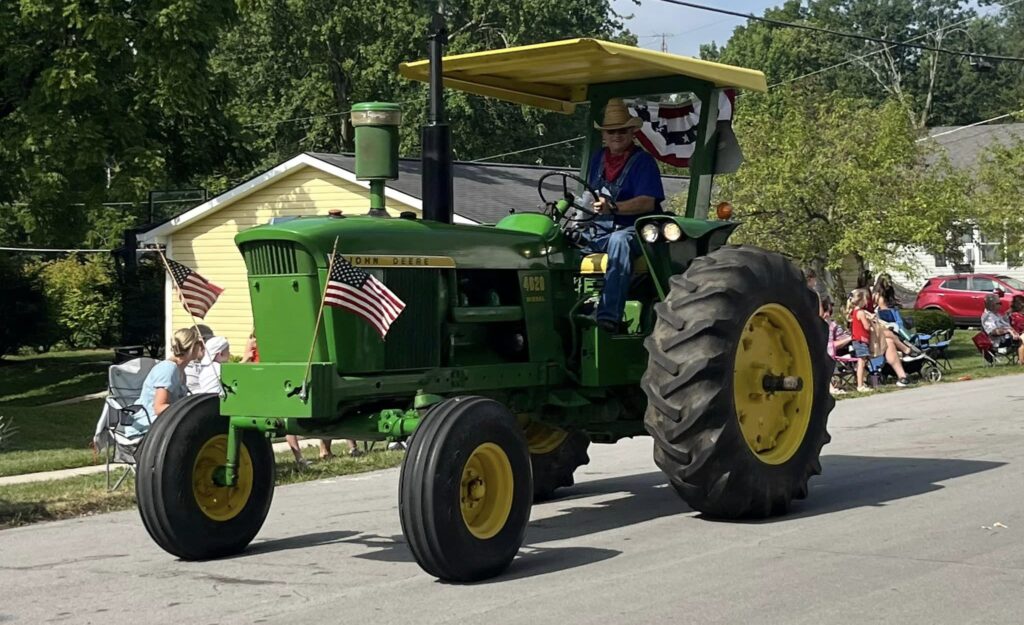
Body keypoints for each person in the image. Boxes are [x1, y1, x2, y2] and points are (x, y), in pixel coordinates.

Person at [584, 98, 665, 333]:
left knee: (620, 242)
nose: (616, 135)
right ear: (604, 136)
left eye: (621, 131)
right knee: (561, 242)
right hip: (601, 229)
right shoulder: (598, 159)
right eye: (611, 131)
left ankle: (608, 317)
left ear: (632, 132)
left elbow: (647, 202)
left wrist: (614, 208)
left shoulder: (643, 162)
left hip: (637, 231)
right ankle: (573, 309)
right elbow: (590, 194)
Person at [242, 329, 361, 465]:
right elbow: (247, 363)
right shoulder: (253, 342)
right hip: (268, 383)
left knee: (322, 411)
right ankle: (299, 457)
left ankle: (327, 450)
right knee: (286, 419)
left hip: (285, 378)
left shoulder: (280, 341)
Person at [126, 327, 204, 437]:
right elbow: (159, 408)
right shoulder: (168, 369)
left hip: (165, 423)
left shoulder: (180, 371)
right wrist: (189, 411)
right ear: (192, 347)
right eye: (199, 343)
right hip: (148, 427)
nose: (202, 346)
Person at [849, 288, 911, 392]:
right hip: (862, 340)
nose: (867, 302)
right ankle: (860, 385)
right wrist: (870, 321)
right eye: (866, 300)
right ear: (862, 300)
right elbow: (867, 327)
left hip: (860, 340)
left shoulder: (854, 312)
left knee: (889, 340)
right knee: (862, 362)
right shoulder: (861, 313)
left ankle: (902, 374)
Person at [981, 293, 1024, 364]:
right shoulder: (988, 317)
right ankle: (1021, 361)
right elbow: (993, 331)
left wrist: (1011, 311)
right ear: (992, 304)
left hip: (1010, 337)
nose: (1001, 305)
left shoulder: (996, 314)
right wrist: (1009, 330)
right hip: (1001, 341)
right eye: (999, 303)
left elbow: (1007, 322)